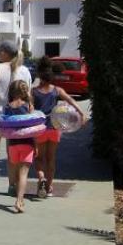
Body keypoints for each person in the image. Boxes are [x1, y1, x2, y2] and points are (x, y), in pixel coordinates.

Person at [0, 40, 32, 202]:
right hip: (15, 117)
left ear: (4, 53)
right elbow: (28, 95)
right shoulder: (24, 70)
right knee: (12, 152)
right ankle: (11, 185)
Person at [33, 57, 88, 198]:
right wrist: (81, 113)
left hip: (39, 129)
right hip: (54, 128)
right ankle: (49, 188)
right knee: (51, 159)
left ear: (39, 75)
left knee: (39, 159)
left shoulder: (33, 92)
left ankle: (41, 178)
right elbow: (70, 100)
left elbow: (29, 110)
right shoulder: (57, 90)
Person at [1, 80, 36, 213]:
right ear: (25, 92)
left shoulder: (7, 107)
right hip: (27, 143)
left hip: (13, 144)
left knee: (16, 173)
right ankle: (19, 200)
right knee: (23, 174)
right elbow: (33, 127)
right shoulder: (28, 106)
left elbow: (5, 125)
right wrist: (36, 145)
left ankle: (17, 195)